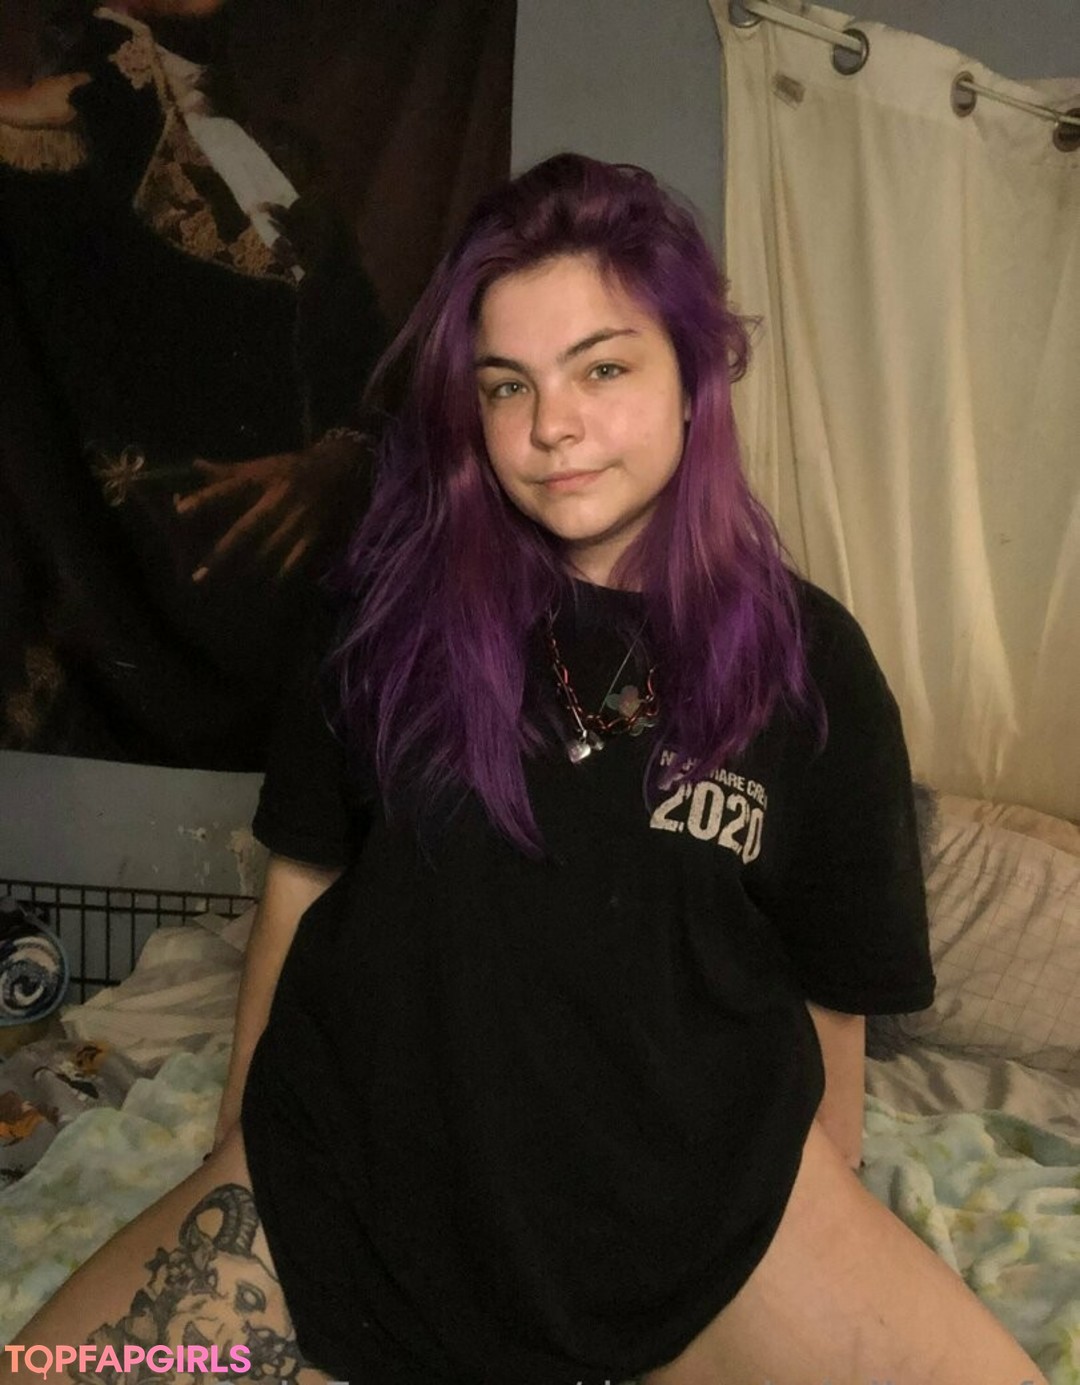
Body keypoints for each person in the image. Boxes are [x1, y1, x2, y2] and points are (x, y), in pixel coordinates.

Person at [2, 154, 1046, 1385]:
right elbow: (300, 884)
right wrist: (238, 1138)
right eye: (509, 384)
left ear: (697, 376)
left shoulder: (813, 666)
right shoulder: (379, 620)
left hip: (695, 1202)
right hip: (358, 1176)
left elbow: (836, 1000)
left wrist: (822, 1202)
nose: (553, 425)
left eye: (603, 368)